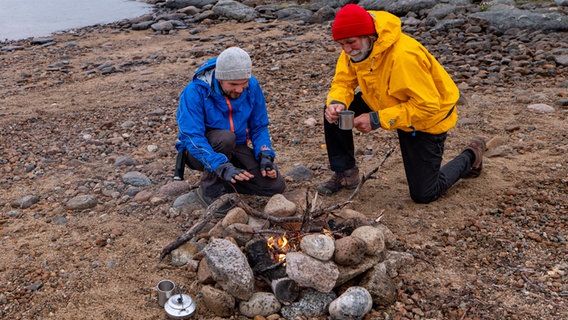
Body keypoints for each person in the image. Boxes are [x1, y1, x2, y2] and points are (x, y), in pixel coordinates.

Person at [317, 4, 485, 204]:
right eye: (341, 44)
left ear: (368, 36)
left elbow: (427, 105)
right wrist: (336, 102)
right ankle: (346, 173)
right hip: (386, 99)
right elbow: (343, 82)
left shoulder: (404, 56)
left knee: (425, 194)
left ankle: (471, 156)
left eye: (351, 43)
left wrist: (377, 119)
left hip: (428, 116)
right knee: (334, 113)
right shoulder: (356, 48)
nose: (346, 50)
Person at [174, 46, 285, 206]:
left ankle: (229, 180)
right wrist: (221, 166)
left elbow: (259, 126)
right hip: (201, 151)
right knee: (225, 138)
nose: (239, 89)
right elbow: (192, 136)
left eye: (244, 83)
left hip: (236, 147)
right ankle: (210, 190)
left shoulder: (252, 86)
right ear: (220, 78)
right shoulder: (195, 92)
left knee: (274, 186)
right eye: (233, 84)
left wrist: (265, 155)